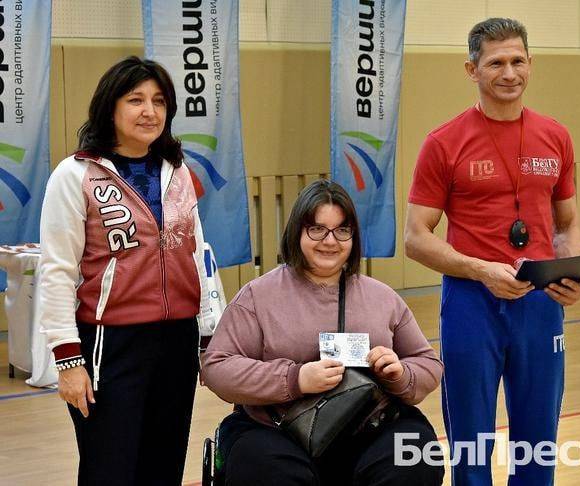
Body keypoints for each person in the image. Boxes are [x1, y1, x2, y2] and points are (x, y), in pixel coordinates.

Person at [405, 18, 580, 486]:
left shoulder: (556, 136)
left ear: (531, 64)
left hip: (540, 305)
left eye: (518, 61)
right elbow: (416, 237)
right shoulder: (443, 142)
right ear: (472, 69)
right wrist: (480, 270)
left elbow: (567, 224)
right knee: (471, 437)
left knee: (537, 437)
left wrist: (572, 273)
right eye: (496, 63)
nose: (509, 73)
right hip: (471, 303)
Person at [38, 56, 219, 486]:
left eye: (159, 101)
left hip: (177, 339)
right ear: (111, 107)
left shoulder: (178, 172)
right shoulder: (75, 175)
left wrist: (210, 334)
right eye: (135, 99)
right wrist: (67, 361)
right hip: (109, 342)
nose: (149, 111)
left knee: (165, 463)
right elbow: (57, 271)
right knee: (110, 467)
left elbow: (198, 256)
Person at [201, 179, 445, 486]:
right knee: (265, 470)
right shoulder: (257, 296)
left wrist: (400, 373)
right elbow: (217, 367)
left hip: (368, 427)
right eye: (317, 229)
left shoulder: (382, 298)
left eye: (342, 230)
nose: (330, 241)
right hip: (279, 430)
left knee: (414, 457)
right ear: (297, 232)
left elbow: (429, 364)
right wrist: (295, 379)